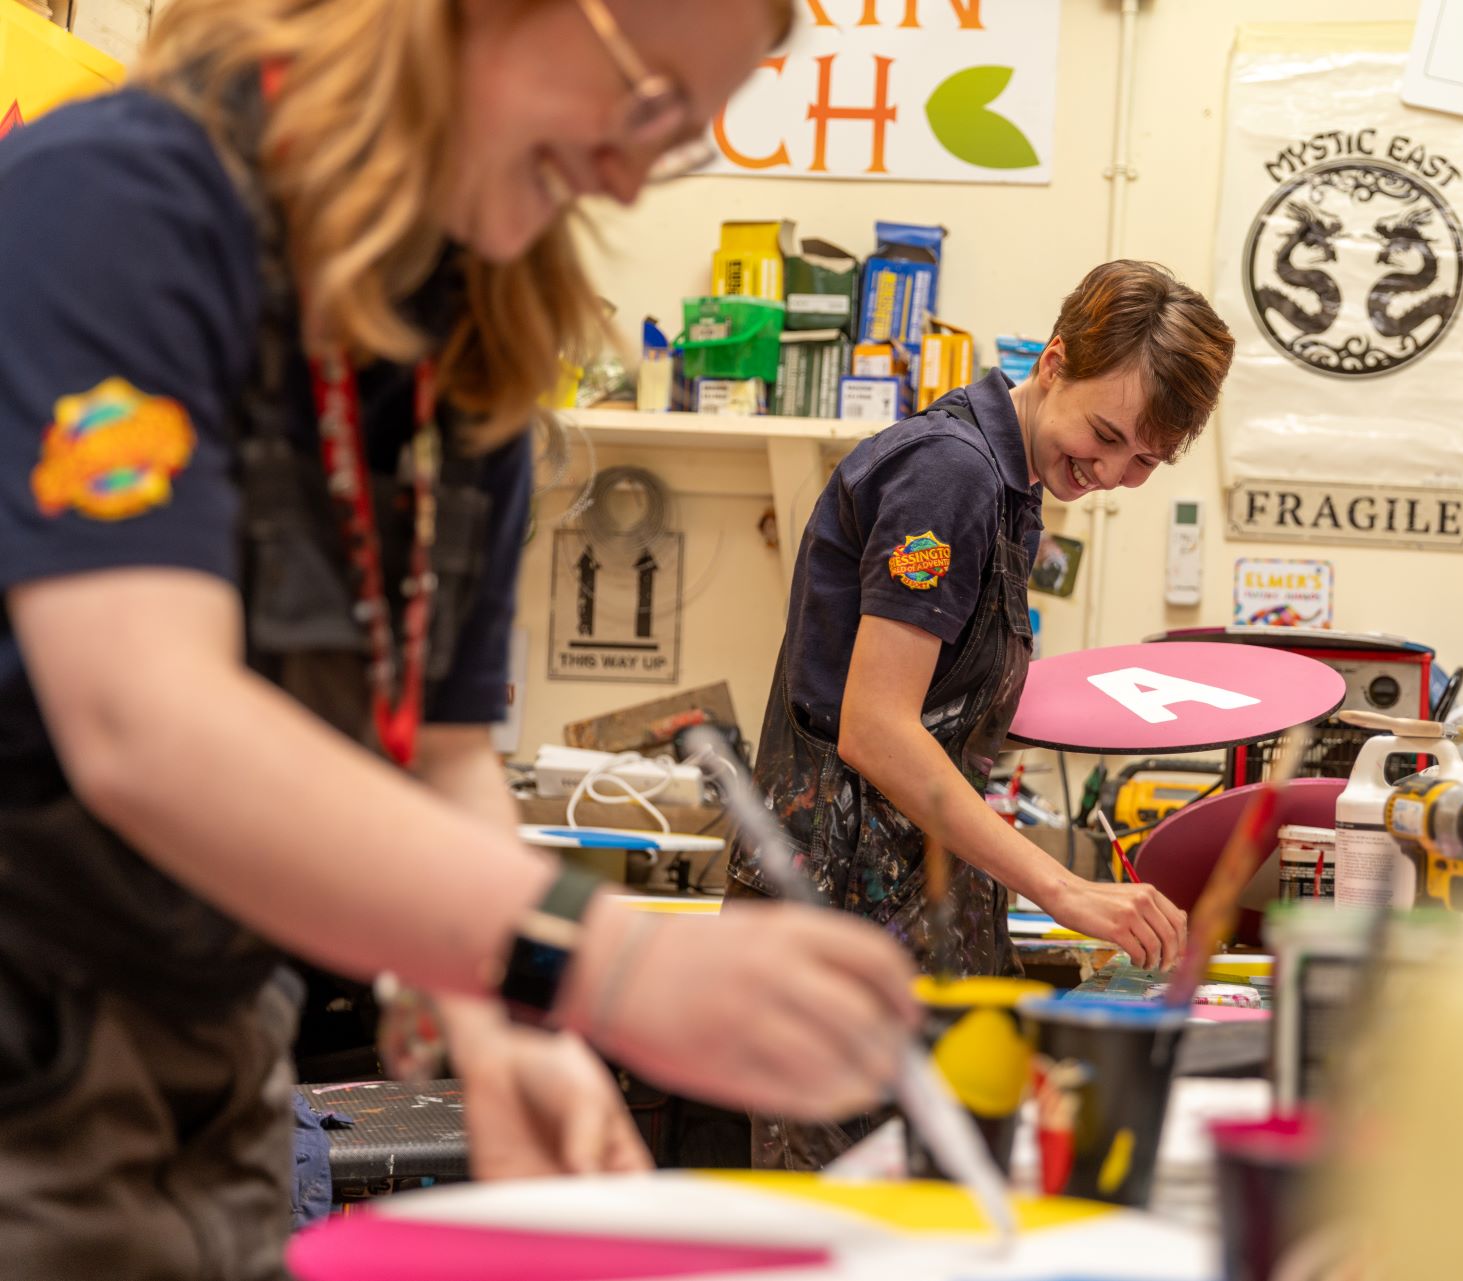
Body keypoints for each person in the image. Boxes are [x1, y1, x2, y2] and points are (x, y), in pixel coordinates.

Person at [0, 1, 921, 1276]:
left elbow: (441, 754)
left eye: (681, 137)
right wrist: (610, 962)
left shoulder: (467, 331)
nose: (626, 169)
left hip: (218, 1094)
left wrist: (512, 1022)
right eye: (644, 94)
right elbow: (143, 722)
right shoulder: (114, 208)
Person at [727, 260, 1237, 1169]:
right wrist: (1067, 888)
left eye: (1146, 461)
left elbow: (935, 695)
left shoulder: (1013, 485)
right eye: (1108, 433)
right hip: (838, 923)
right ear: (1054, 360)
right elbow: (876, 727)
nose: (1115, 472)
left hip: (910, 915)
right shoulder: (948, 473)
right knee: (860, 1240)